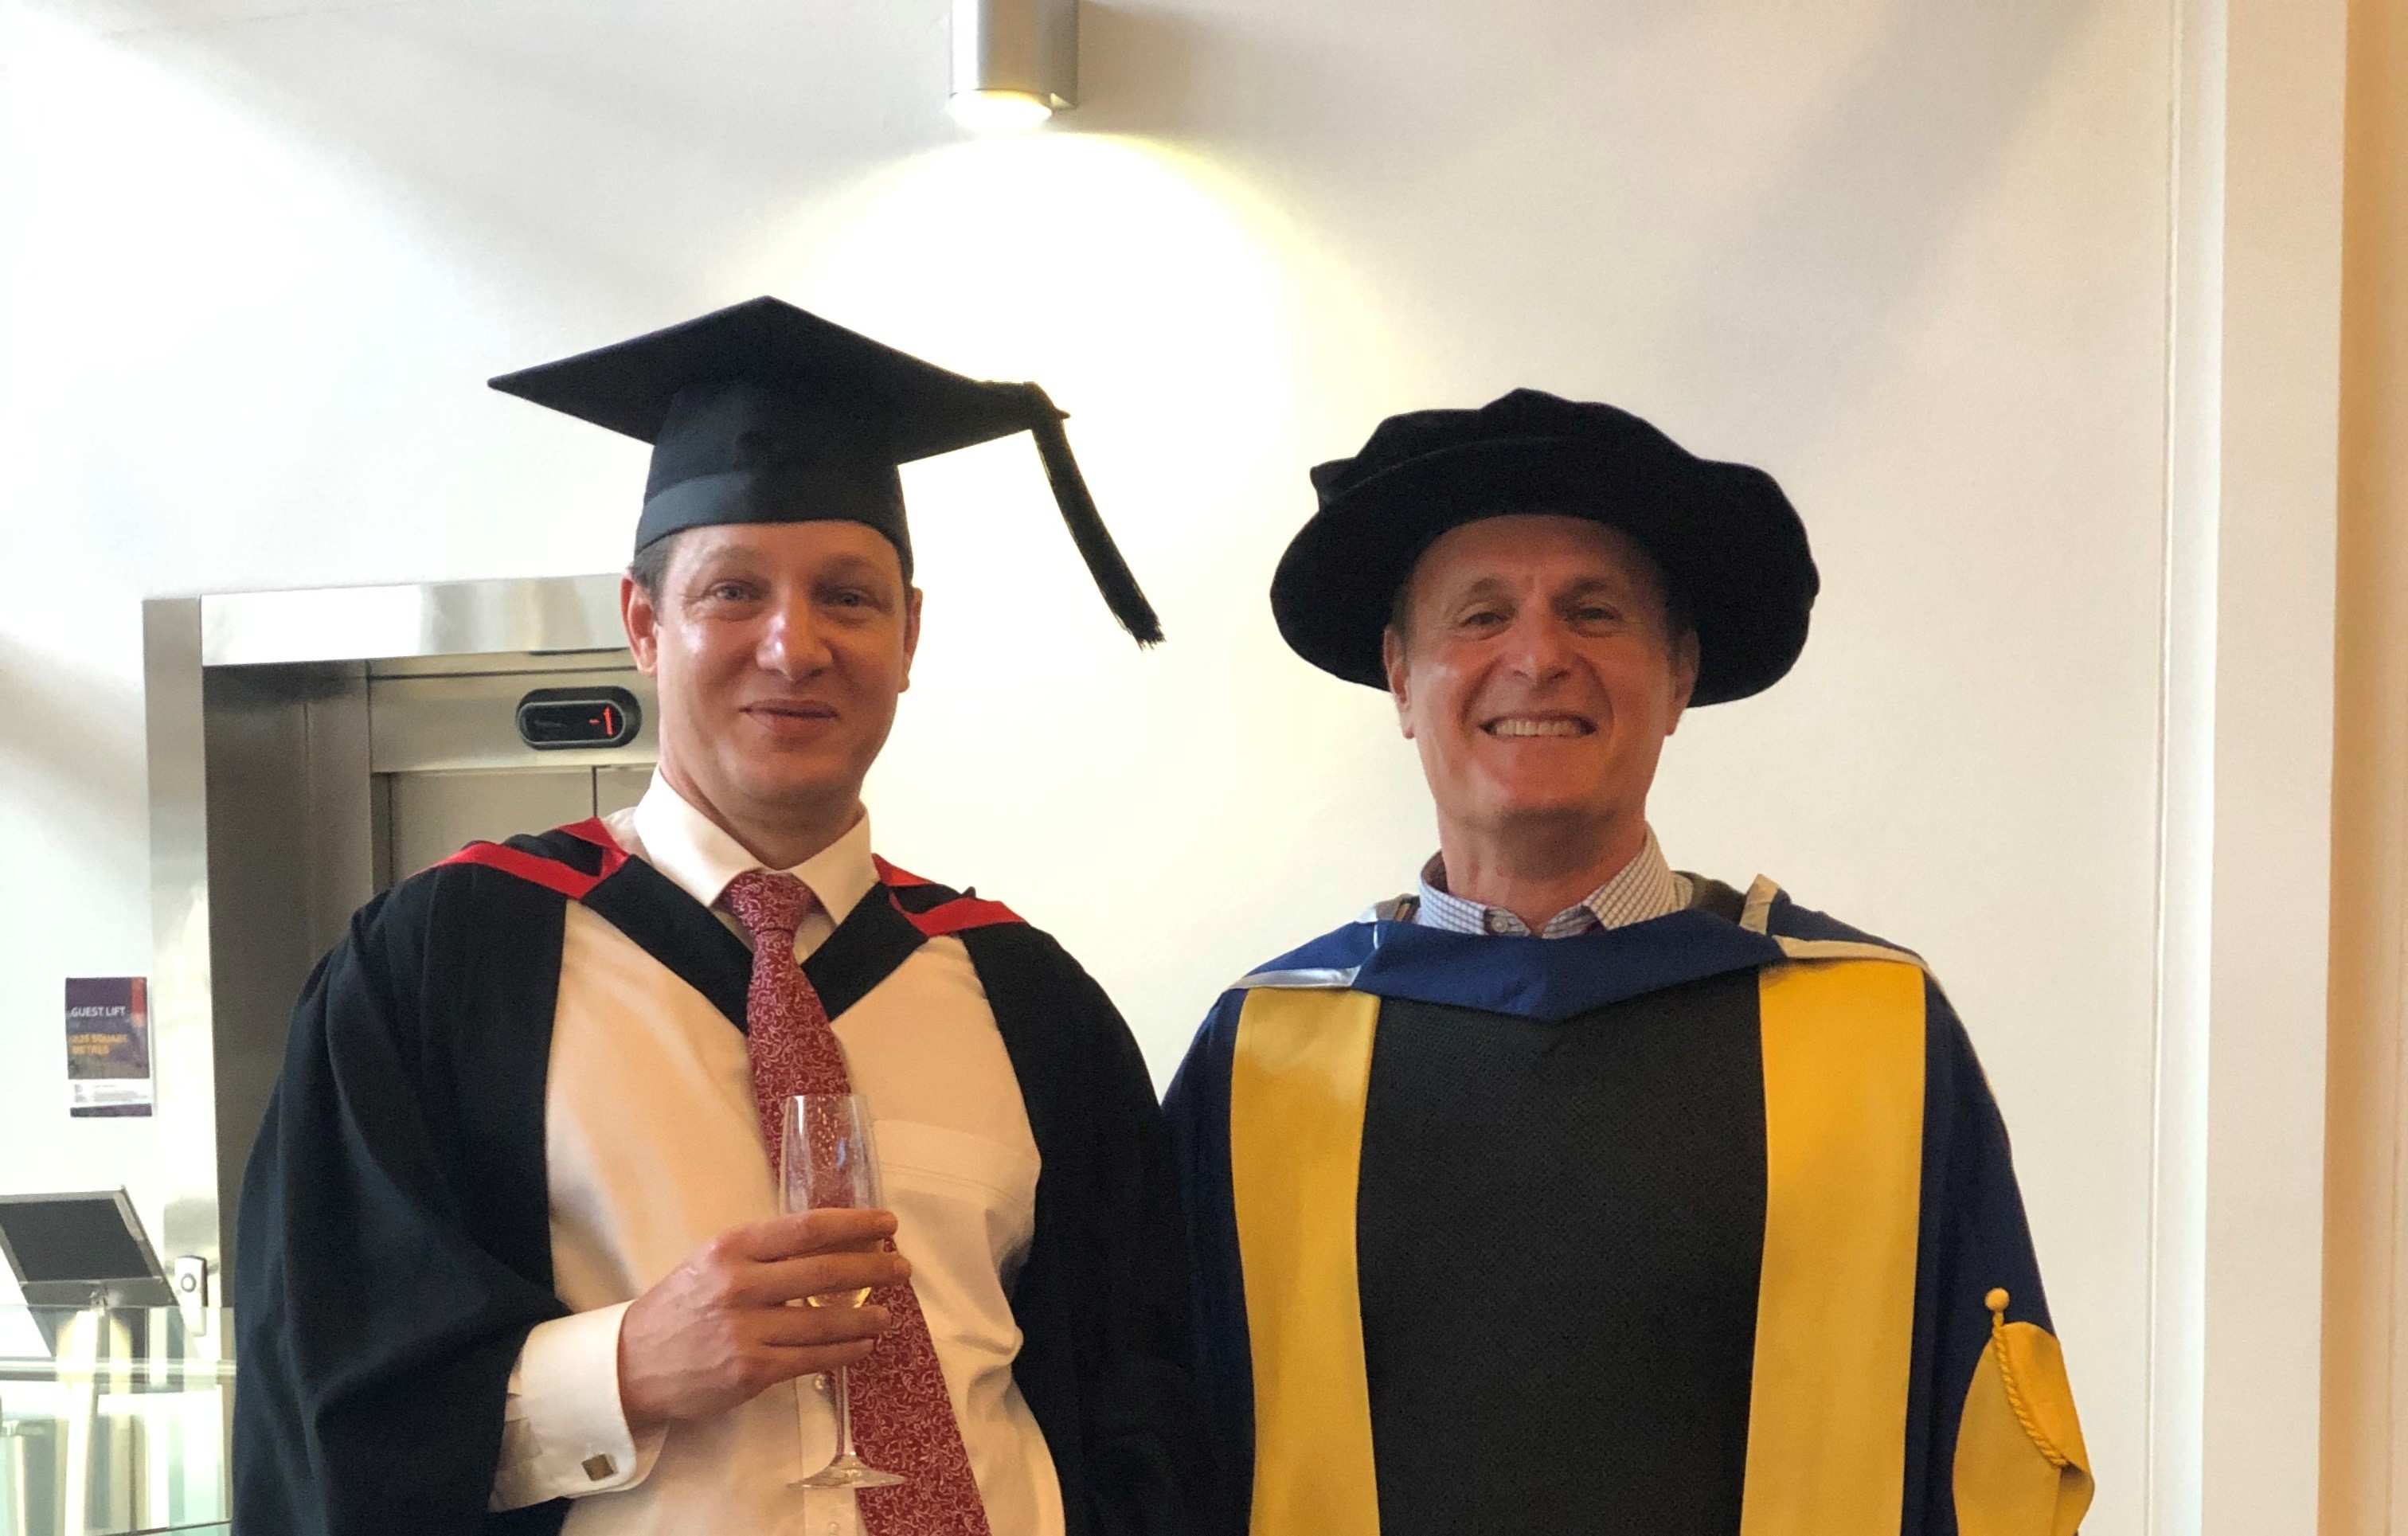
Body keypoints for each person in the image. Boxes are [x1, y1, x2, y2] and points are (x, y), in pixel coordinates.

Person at [234, 296, 1207, 1536]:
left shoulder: (1027, 997)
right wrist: (626, 1366)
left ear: (910, 637)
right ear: (644, 625)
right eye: (734, 590)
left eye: (848, 597)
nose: (793, 645)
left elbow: (1144, 1410)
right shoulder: (443, 969)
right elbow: (318, 1404)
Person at [1165, 389, 2093, 1536]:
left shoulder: (1876, 1034)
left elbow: (1989, 1468)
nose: (1539, 655)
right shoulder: (1263, 1057)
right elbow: (1166, 1457)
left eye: (1595, 613)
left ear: (1680, 674)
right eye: (1481, 615)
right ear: (1403, 678)